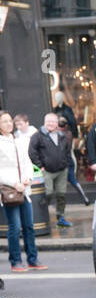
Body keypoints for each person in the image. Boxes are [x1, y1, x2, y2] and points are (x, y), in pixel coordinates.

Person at [0, 112, 46, 272]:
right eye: (4, 121)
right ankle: (15, 261)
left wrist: (28, 178)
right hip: (9, 191)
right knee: (15, 226)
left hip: (24, 190)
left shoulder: (19, 141)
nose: (8, 124)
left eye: (9, 121)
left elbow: (27, 163)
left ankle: (33, 259)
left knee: (29, 226)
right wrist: (14, 183)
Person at [27, 112, 76, 228]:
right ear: (44, 122)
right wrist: (40, 166)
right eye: (48, 121)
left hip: (62, 170)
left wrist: (67, 165)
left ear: (57, 123)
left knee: (61, 195)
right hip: (46, 171)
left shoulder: (62, 135)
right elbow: (32, 152)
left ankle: (61, 218)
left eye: (53, 121)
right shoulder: (37, 136)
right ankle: (42, 217)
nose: (51, 124)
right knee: (47, 193)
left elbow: (67, 151)